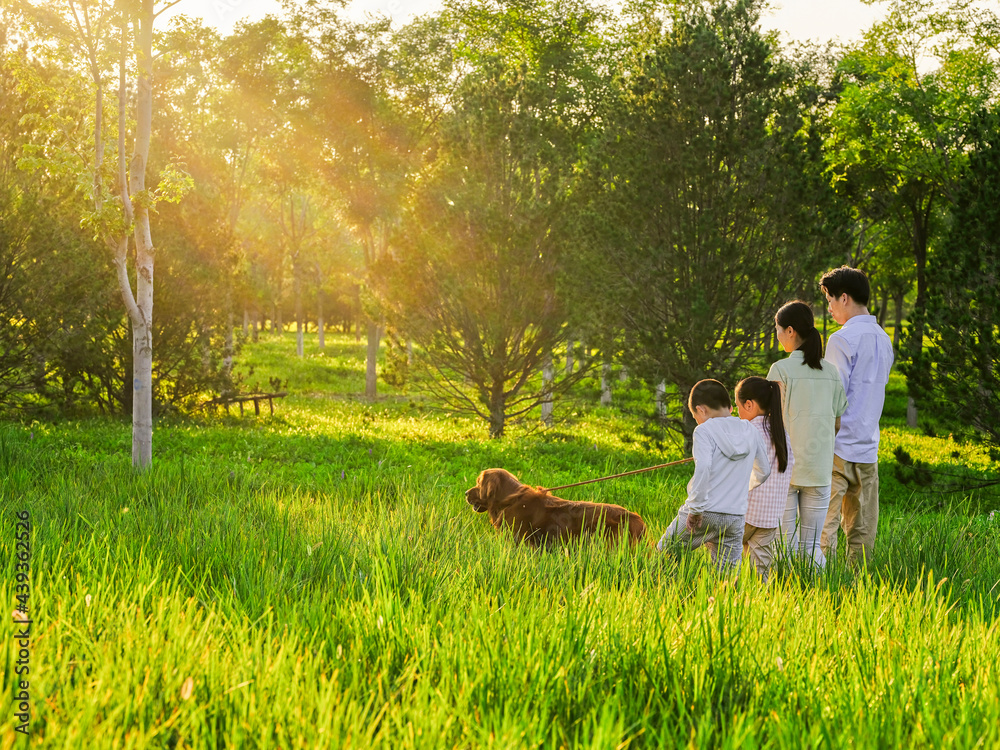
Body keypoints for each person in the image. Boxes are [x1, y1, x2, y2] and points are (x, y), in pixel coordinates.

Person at [819, 266, 894, 567]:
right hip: (867, 448)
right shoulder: (884, 339)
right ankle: (857, 586)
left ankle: (819, 586)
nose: (829, 308)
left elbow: (831, 400)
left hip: (837, 448)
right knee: (862, 531)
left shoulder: (841, 340)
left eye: (831, 300)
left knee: (824, 527)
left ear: (845, 298)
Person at [657, 379, 770, 571]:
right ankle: (721, 601)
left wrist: (696, 509)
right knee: (726, 576)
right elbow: (764, 470)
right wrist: (739, 487)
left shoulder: (704, 430)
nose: (697, 421)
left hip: (705, 511)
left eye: (694, 416)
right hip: (735, 517)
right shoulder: (751, 430)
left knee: (664, 554)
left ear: (701, 410)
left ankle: (667, 596)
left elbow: (703, 468)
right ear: (729, 407)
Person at [767, 301, 847, 570]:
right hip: (819, 470)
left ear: (790, 331)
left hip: (785, 469)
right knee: (811, 546)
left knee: (783, 544)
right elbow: (836, 423)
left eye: (777, 329)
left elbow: (772, 424)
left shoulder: (780, 370)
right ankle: (824, 591)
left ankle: (783, 595)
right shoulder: (831, 372)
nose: (776, 335)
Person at [735, 376, 793, 581]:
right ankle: (759, 603)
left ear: (749, 404)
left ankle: (722, 595)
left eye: (738, 407)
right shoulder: (781, 433)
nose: (738, 413)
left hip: (745, 513)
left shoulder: (747, 430)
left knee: (716, 548)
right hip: (770, 516)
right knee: (760, 572)